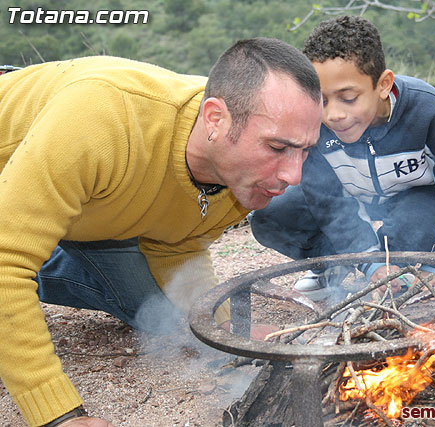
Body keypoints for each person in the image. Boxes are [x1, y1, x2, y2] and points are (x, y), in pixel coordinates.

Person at [0, 38, 322, 427]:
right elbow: (5, 263)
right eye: (277, 147)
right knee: (15, 266)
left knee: (160, 314)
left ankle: (40, 249)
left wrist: (224, 326)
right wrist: (59, 415)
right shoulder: (101, 119)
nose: (294, 174)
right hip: (20, 162)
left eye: (305, 150)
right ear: (216, 119)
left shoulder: (238, 173)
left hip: (88, 206)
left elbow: (179, 240)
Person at [250, 16, 435, 300]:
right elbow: (327, 201)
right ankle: (334, 266)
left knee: (418, 219)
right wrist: (366, 257)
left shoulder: (429, 113)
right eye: (321, 100)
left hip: (411, 202)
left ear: (383, 85)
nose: (333, 115)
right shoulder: (312, 122)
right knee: (274, 212)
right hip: (349, 199)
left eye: (348, 98)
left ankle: (396, 266)